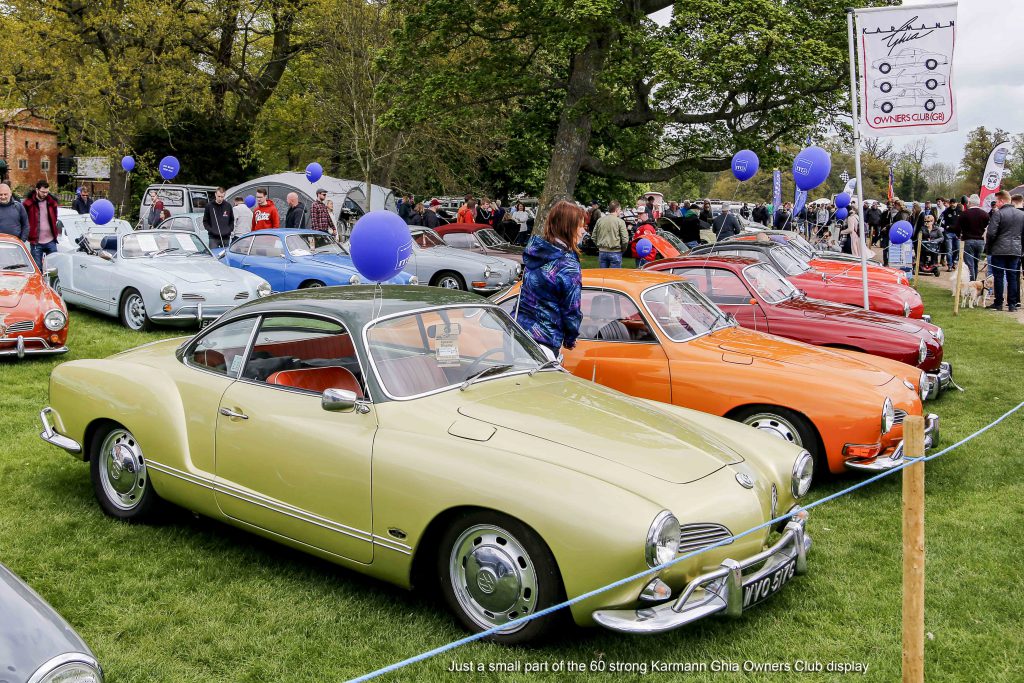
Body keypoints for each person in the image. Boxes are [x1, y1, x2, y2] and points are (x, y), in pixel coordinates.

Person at [515, 200, 584, 357]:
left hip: (517, 333)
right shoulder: (567, 265)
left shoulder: (536, 251)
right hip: (544, 340)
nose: (582, 231)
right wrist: (570, 338)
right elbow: (571, 308)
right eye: (580, 226)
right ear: (569, 228)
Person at [983, 190, 1023, 312]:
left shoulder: (998, 214)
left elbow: (991, 233)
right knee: (1012, 277)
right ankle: (1012, 304)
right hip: (1015, 249)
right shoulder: (1021, 214)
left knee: (999, 276)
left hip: (999, 250)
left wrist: (989, 248)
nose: (996, 204)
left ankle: (998, 303)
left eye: (997, 201)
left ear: (1001, 201)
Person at [23, 180, 60, 269]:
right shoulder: (28, 204)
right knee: (37, 268)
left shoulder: (52, 202)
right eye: (43, 192)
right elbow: (24, 220)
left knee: (53, 267)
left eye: (47, 192)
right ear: (37, 190)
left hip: (51, 240)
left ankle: (51, 283)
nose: (45, 194)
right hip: (36, 242)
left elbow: (55, 217)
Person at [954, 194, 989, 282]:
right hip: (980, 241)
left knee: (969, 264)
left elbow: (957, 227)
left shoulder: (965, 214)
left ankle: (971, 282)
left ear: (969, 203)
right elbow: (987, 227)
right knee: (976, 263)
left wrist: (958, 235)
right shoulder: (985, 214)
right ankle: (974, 281)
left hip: (968, 239)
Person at [592, 201, 629, 268]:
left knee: (603, 276)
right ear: (617, 209)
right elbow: (625, 239)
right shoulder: (620, 222)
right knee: (614, 277)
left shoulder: (600, 220)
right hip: (615, 251)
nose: (620, 211)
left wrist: (599, 245)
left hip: (602, 251)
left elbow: (594, 236)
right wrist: (623, 249)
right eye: (620, 210)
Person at [940, 197, 961, 272]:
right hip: (948, 233)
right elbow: (940, 221)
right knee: (949, 250)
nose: (952, 204)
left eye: (954, 203)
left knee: (957, 249)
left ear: (956, 203)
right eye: (951, 203)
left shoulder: (960, 211)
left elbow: (962, 223)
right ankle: (950, 265)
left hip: (957, 234)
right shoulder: (946, 211)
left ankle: (954, 262)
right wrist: (946, 227)